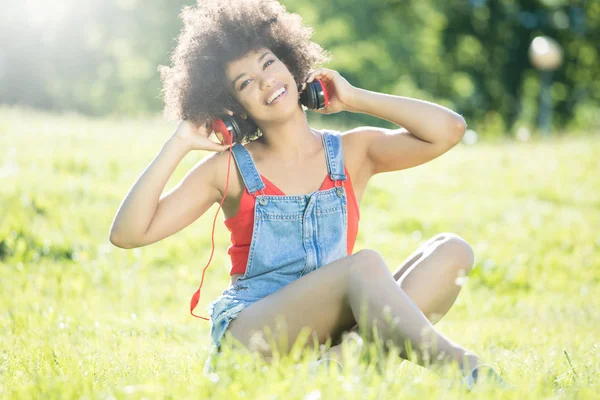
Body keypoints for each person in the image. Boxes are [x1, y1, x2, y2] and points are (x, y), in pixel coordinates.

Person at [109, 0, 503, 387]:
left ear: (291, 64)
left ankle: (338, 366)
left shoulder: (353, 152)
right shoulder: (227, 169)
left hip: (330, 330)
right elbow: (127, 234)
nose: (265, 81)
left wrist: (353, 97)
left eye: (268, 63)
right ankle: (463, 369)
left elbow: (449, 130)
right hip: (253, 336)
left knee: (452, 251)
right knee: (362, 266)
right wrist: (178, 143)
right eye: (245, 82)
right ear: (233, 108)